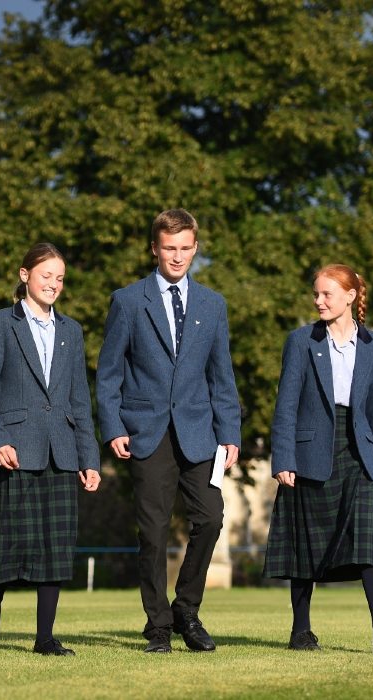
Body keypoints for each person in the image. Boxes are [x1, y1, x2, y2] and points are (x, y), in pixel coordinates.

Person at [96, 209, 241, 654]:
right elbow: (109, 373)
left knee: (211, 518)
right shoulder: (127, 301)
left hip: (200, 432)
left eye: (185, 248)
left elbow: (222, 376)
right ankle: (158, 626)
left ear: (195, 249)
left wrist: (230, 433)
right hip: (147, 431)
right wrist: (113, 426)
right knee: (154, 532)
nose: (177, 257)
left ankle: (187, 610)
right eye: (169, 248)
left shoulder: (213, 305)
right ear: (154, 249)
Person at [0, 243, 101, 656]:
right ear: (25, 275)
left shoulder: (72, 331)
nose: (53, 284)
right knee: (7, 547)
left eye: (60, 278)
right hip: (14, 452)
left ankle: (45, 639)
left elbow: (79, 401)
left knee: (55, 551)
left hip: (61, 452)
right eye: (46, 276)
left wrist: (89, 459)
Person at [263, 264, 373, 653]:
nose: (318, 301)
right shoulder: (301, 341)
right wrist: (283, 458)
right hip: (310, 451)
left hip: (359, 451)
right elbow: (286, 405)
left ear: (350, 295)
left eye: (326, 294)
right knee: (305, 542)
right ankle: (301, 630)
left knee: (368, 535)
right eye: (316, 294)